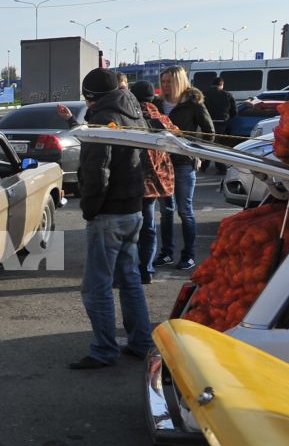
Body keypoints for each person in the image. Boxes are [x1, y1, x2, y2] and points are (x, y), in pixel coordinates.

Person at [71, 67, 151, 370]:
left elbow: (96, 172)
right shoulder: (133, 113)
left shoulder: (102, 122)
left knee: (96, 287)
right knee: (130, 280)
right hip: (133, 208)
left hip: (109, 214)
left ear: (92, 97)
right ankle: (141, 342)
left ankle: (104, 349)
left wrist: (90, 209)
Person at [154, 66, 214, 270]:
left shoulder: (193, 103)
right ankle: (166, 253)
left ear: (179, 81)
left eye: (169, 81)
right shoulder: (157, 103)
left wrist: (197, 153)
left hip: (183, 164)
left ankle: (189, 255)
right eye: (162, 81)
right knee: (166, 210)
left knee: (185, 210)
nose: (165, 85)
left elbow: (209, 131)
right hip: (161, 164)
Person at [127, 81, 177, 281]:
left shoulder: (131, 117)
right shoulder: (161, 117)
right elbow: (177, 134)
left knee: (134, 227)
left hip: (137, 178)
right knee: (148, 226)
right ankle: (146, 269)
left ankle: (134, 267)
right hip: (159, 180)